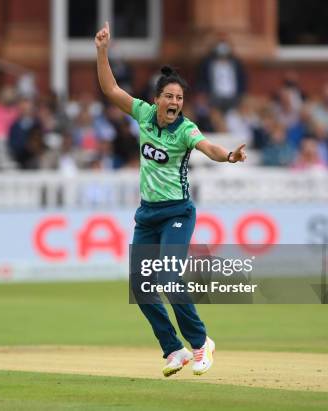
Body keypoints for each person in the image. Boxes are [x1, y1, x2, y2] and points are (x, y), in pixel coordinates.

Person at [95, 22, 246, 377]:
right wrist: (102, 51)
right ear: (157, 99)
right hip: (147, 215)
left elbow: (206, 145)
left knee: (166, 277)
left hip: (178, 212)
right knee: (141, 285)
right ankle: (173, 349)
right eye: (169, 96)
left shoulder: (185, 128)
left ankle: (200, 343)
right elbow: (110, 88)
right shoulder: (144, 115)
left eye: (179, 98)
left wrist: (227, 156)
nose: (175, 103)